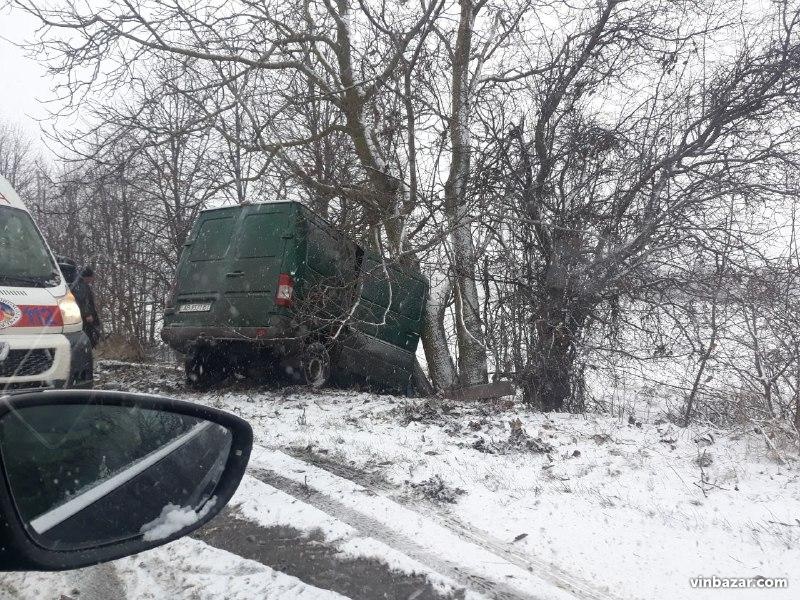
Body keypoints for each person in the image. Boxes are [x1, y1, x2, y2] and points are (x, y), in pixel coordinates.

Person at [71, 266, 102, 347]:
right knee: (88, 336)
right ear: (87, 277)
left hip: (83, 316)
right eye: (92, 277)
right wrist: (88, 314)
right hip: (84, 317)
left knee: (89, 335)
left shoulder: (82, 285)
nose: (92, 279)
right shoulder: (81, 286)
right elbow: (83, 301)